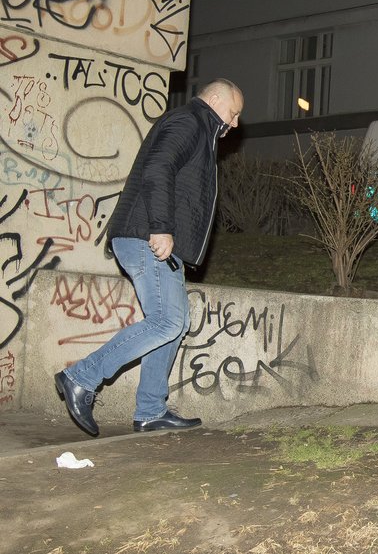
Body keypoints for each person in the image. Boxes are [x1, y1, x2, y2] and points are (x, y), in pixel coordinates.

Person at [54, 78, 244, 436]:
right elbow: (159, 170)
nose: (234, 124)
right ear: (216, 99)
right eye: (233, 114)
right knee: (168, 322)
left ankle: (151, 411)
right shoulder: (190, 121)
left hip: (157, 241)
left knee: (174, 324)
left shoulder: (200, 128)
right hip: (147, 236)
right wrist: (160, 227)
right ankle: (81, 377)